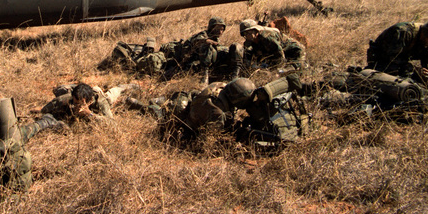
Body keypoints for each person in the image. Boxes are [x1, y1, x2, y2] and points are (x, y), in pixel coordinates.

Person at [127, 73, 309, 146]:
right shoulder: (218, 115)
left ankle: (148, 102)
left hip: (189, 101)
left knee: (170, 104)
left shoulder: (220, 86)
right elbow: (209, 138)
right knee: (160, 114)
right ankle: (138, 105)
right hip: (185, 121)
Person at [103, 17, 243, 81]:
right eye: (217, 29)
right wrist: (207, 41)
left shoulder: (216, 39)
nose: (220, 32)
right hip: (180, 59)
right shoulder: (204, 36)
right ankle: (204, 75)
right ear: (211, 28)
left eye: (222, 29)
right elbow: (196, 41)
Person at [366, 20, 428, 85]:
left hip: (401, 60)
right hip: (383, 58)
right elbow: (394, 58)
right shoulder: (403, 32)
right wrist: (414, 69)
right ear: (426, 34)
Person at [38, 82, 139, 123]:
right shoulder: (68, 99)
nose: (76, 105)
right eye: (75, 102)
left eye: (80, 103)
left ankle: (124, 86)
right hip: (85, 91)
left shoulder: (100, 102)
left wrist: (90, 115)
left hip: (100, 95)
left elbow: (112, 124)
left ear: (89, 102)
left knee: (112, 95)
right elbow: (45, 110)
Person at [239, 19, 306, 70]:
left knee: (294, 70)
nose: (247, 35)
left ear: (255, 30)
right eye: (245, 33)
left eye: (249, 32)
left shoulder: (267, 38)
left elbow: (280, 57)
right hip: (282, 53)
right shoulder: (251, 42)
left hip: (294, 51)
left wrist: (272, 69)